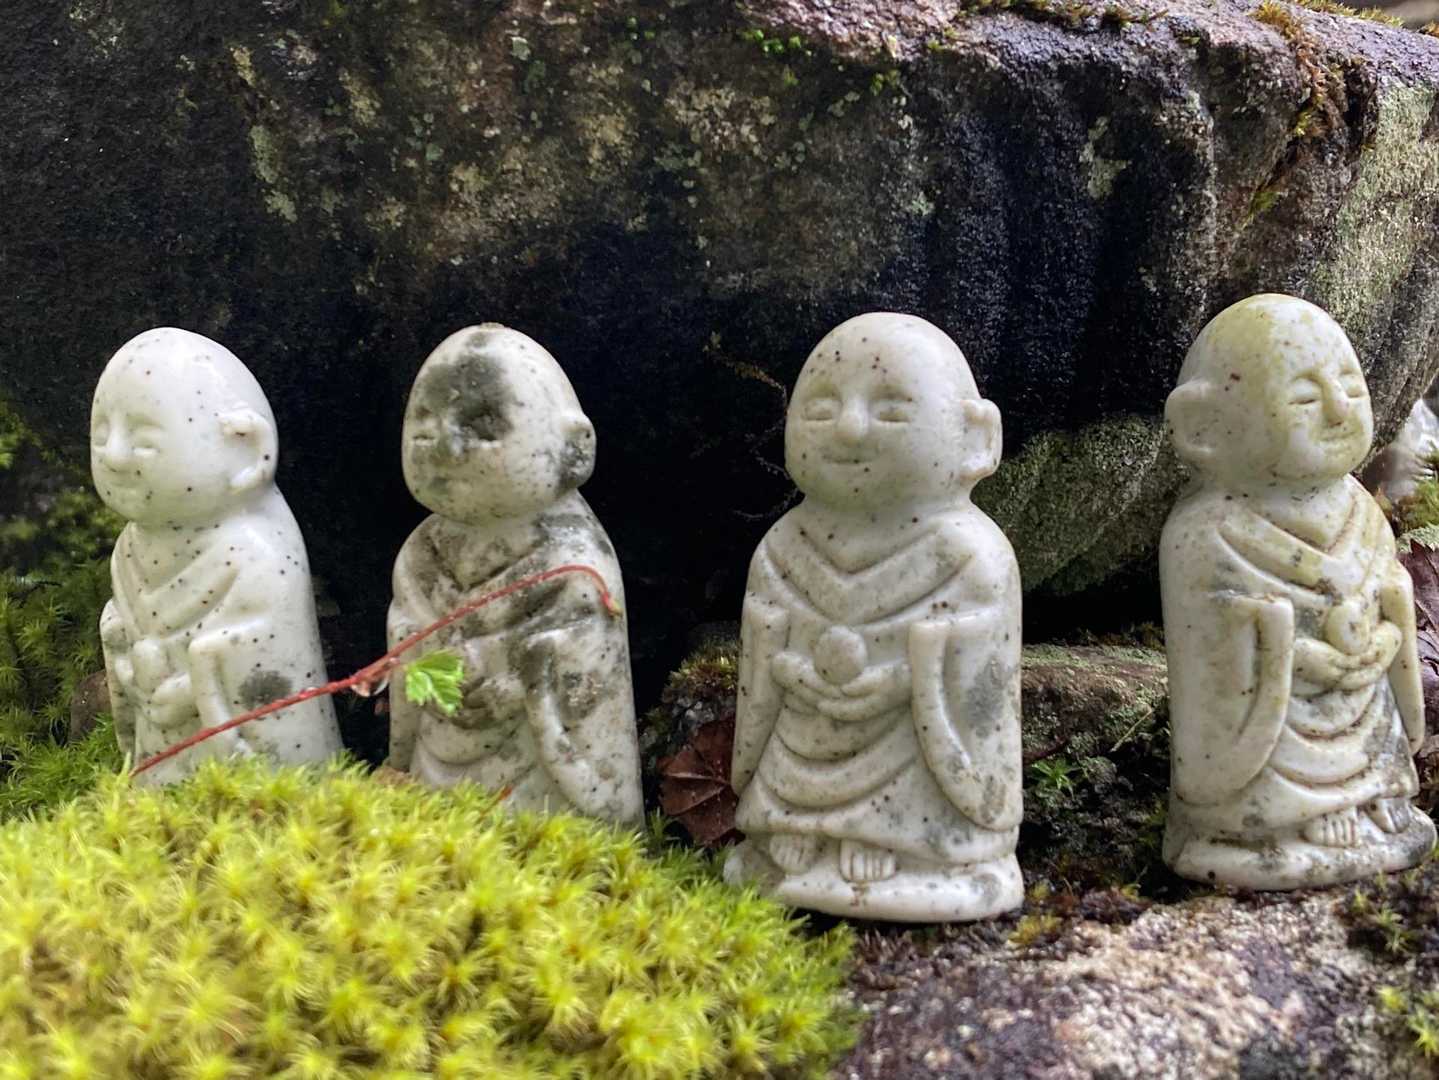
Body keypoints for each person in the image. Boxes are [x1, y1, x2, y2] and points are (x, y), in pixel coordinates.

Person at [724, 312, 1024, 921]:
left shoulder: (970, 553)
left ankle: (892, 835)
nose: (850, 429)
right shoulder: (783, 545)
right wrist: (792, 669)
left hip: (907, 743)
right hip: (807, 727)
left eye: (890, 412)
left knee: (908, 744)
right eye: (820, 410)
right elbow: (764, 649)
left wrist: (910, 675)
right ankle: (796, 825)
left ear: (977, 438)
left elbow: (977, 685)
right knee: (798, 738)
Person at [1162, 293, 1434, 888]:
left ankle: (1373, 795)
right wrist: (1292, 646)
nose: (1338, 410)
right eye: (1306, 399)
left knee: (1373, 715)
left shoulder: (1361, 508)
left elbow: (1389, 597)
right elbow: (1215, 651)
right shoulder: (1208, 531)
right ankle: (1290, 817)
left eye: (1352, 389)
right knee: (1286, 732)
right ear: (1206, 428)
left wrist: (1385, 633)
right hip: (1277, 736)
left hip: (1363, 693)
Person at [386, 324, 642, 824]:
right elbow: (407, 654)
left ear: (575, 449)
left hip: (539, 788)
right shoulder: (419, 554)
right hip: (435, 762)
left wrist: (518, 672)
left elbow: (585, 694)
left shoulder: (576, 563)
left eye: (483, 426)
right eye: (425, 428)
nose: (445, 449)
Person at [92, 327, 341, 785]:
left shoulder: (256, 552)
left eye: (144, 440)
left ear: (249, 451)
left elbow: (265, 661)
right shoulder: (128, 548)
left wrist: (190, 687)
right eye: (101, 434)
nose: (115, 455)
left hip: (240, 767)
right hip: (160, 748)